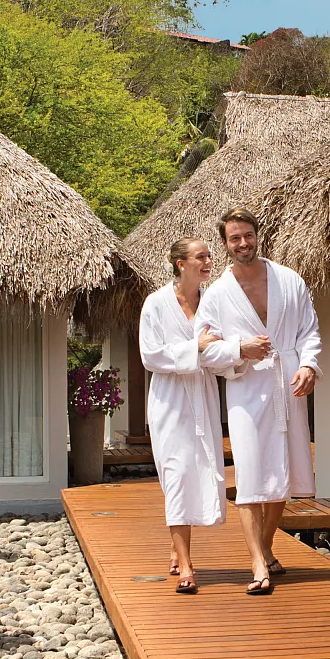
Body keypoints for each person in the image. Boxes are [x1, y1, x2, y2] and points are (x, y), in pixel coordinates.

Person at [197, 208, 321, 595]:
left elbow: (309, 331)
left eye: (248, 235)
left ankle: (265, 547)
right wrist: (239, 348)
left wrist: (308, 365)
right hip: (246, 390)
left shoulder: (289, 280)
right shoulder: (217, 294)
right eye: (235, 238)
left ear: (257, 235)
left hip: (287, 385)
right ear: (224, 244)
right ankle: (256, 561)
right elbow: (203, 347)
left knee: (282, 474)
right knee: (250, 473)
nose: (243, 244)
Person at [138, 237, 242, 593]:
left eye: (209, 255)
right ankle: (185, 563)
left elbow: (222, 349)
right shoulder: (155, 304)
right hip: (169, 401)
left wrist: (240, 356)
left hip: (203, 397)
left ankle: (176, 546)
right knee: (176, 475)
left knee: (197, 473)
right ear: (181, 264)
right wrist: (193, 347)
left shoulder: (212, 303)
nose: (208, 260)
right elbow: (150, 357)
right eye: (201, 256)